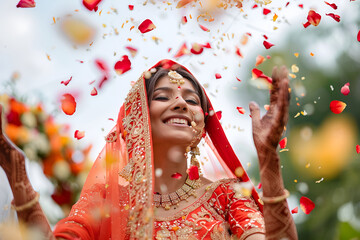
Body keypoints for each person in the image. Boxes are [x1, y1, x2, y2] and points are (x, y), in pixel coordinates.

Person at [0, 59, 297, 239]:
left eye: (192, 101)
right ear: (137, 116)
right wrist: (18, 177)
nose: (181, 103)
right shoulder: (108, 203)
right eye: (163, 96)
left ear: (203, 126)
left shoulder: (226, 196)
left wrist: (269, 159)